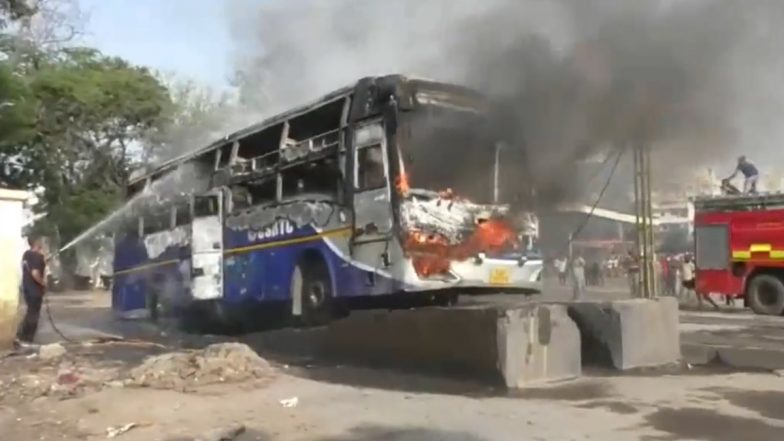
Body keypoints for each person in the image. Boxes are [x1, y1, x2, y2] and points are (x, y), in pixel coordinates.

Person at [15, 236, 47, 348]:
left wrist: (44, 260)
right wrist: (43, 283)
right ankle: (27, 339)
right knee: (33, 315)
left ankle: (20, 336)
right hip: (35, 290)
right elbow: (35, 273)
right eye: (41, 241)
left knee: (30, 313)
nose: (43, 243)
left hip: (27, 288)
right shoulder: (37, 256)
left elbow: (32, 265)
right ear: (37, 243)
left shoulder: (27, 254)